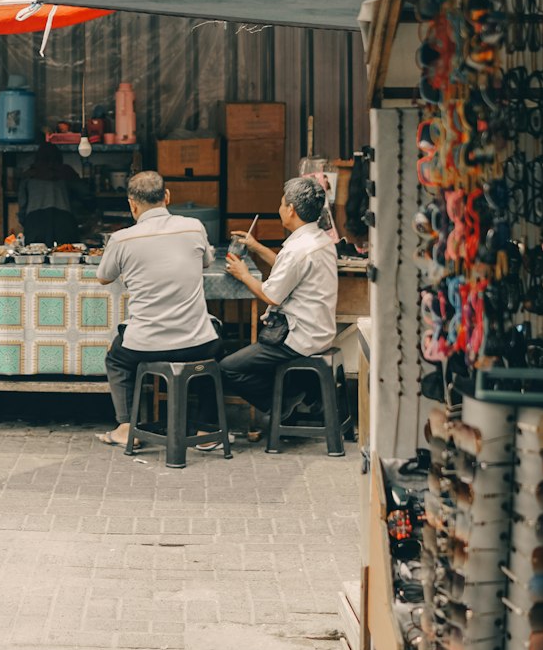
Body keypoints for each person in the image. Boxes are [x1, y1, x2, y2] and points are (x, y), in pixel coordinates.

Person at [94, 170, 224, 450]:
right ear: (167, 197)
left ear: (132, 204)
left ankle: (128, 427)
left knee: (115, 359)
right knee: (213, 350)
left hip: (144, 345)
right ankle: (205, 430)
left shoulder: (122, 239)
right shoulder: (194, 227)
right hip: (196, 343)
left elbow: (104, 277)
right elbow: (206, 262)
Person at [219, 176, 338, 422]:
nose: (279, 209)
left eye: (282, 204)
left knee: (229, 367)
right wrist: (257, 247)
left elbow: (271, 296)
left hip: (299, 337)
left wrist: (243, 275)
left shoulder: (296, 249)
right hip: (320, 331)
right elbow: (291, 271)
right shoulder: (320, 240)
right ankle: (304, 396)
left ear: (291, 210)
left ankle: (281, 405)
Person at [18, 142, 81, 246]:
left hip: (35, 222)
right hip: (64, 222)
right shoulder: (66, 173)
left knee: (35, 257)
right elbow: (85, 194)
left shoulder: (29, 175)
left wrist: (25, 222)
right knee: (67, 255)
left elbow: (22, 204)